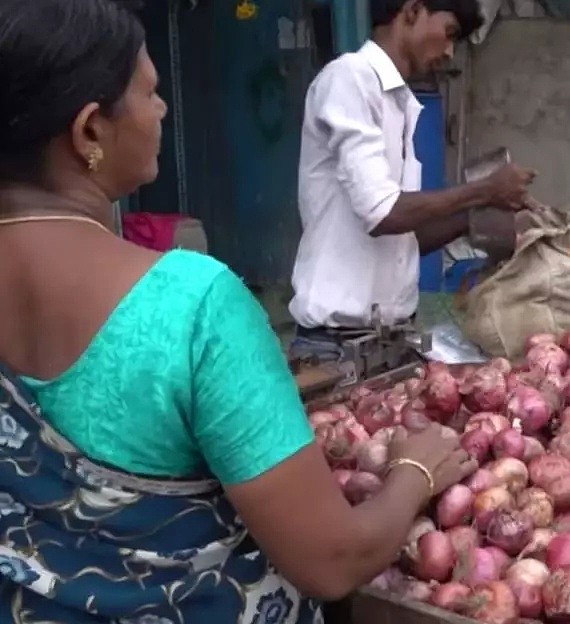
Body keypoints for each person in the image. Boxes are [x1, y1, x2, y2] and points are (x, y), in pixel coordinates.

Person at [0, 1, 476, 621]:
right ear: (90, 130)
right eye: (150, 93)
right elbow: (331, 560)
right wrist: (416, 470)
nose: (163, 109)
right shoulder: (193, 308)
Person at [289, 0, 534, 362]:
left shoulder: (400, 103)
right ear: (412, 11)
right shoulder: (350, 79)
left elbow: (404, 239)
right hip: (334, 348)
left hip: (389, 342)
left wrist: (479, 217)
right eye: (449, 34)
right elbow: (383, 212)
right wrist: (484, 189)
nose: (449, 52)